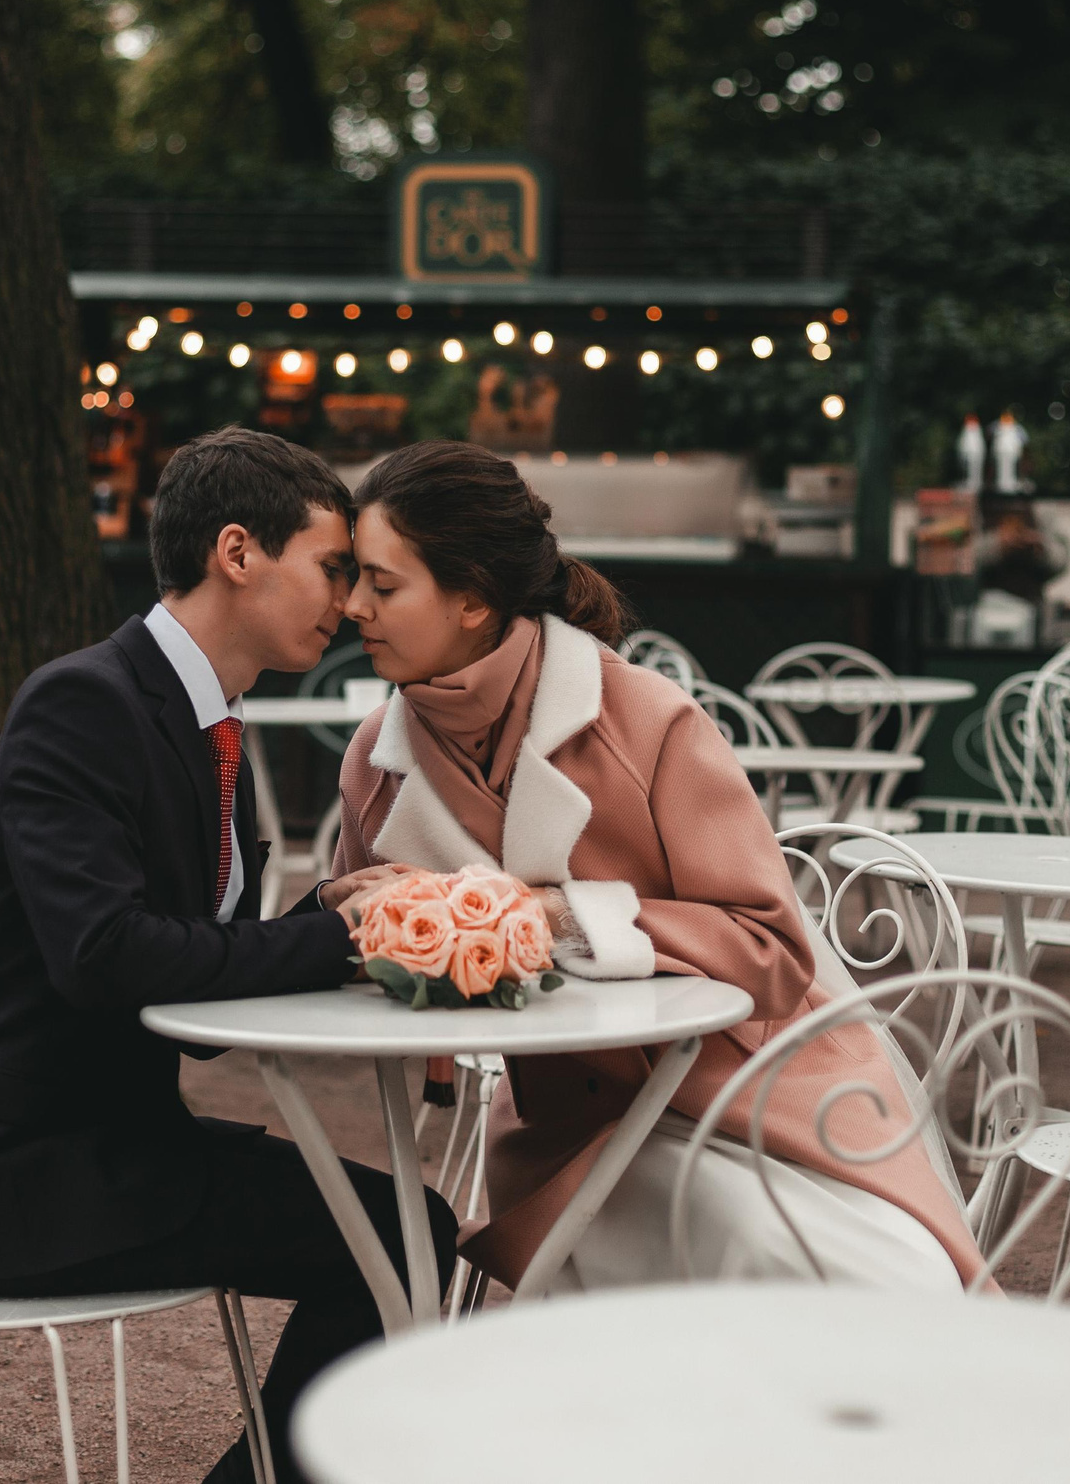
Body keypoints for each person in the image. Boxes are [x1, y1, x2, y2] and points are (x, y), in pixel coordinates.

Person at [0, 426, 455, 1484]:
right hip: (21, 1176)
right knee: (401, 1237)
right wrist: (340, 938)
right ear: (238, 553)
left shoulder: (204, 721)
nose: (350, 604)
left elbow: (176, 934)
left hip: (116, 1149)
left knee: (409, 1231)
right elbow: (105, 955)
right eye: (332, 568)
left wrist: (324, 908)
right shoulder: (84, 702)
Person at [331, 440, 986, 1294]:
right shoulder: (374, 762)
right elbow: (359, 967)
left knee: (867, 1274)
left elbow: (774, 950)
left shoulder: (646, 720)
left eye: (382, 585)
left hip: (758, 1086)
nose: (351, 607)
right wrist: (358, 918)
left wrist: (547, 914)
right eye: (353, 579)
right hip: (572, 1123)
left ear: (473, 599)